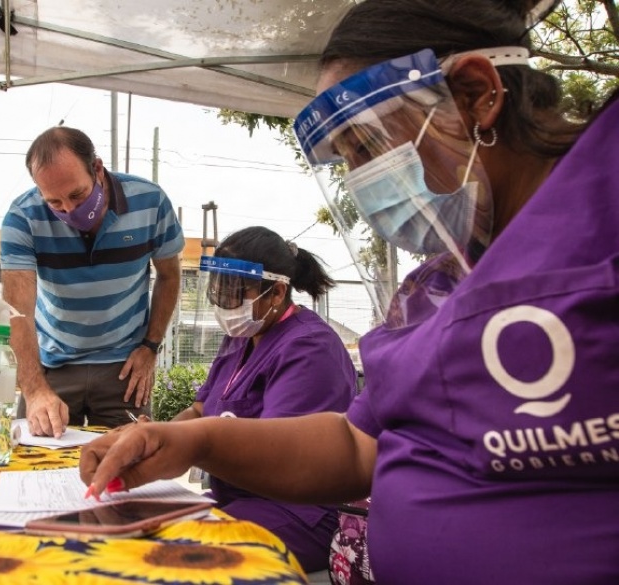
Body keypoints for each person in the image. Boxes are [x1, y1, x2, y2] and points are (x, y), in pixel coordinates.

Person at [79, 1, 619, 584]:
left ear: (475, 93)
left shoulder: (601, 218)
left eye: (365, 146)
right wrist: (193, 439)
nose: (363, 182)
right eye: (346, 161)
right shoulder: (435, 288)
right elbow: (358, 445)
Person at [170, 226, 356, 573]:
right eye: (219, 289)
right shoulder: (243, 335)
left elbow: (277, 457)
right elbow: (199, 409)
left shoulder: (310, 348)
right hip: (238, 499)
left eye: (236, 292)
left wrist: (187, 445)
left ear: (276, 293)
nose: (224, 303)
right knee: (143, 531)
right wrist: (157, 439)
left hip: (298, 512)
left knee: (178, 558)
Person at [0, 126, 184, 438]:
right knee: (33, 466)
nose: (70, 210)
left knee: (130, 468)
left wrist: (150, 346)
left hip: (124, 367)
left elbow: (169, 275)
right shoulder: (23, 216)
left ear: (97, 168)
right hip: (52, 365)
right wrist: (34, 391)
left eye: (77, 194)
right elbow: (17, 311)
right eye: (55, 203)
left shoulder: (151, 202)